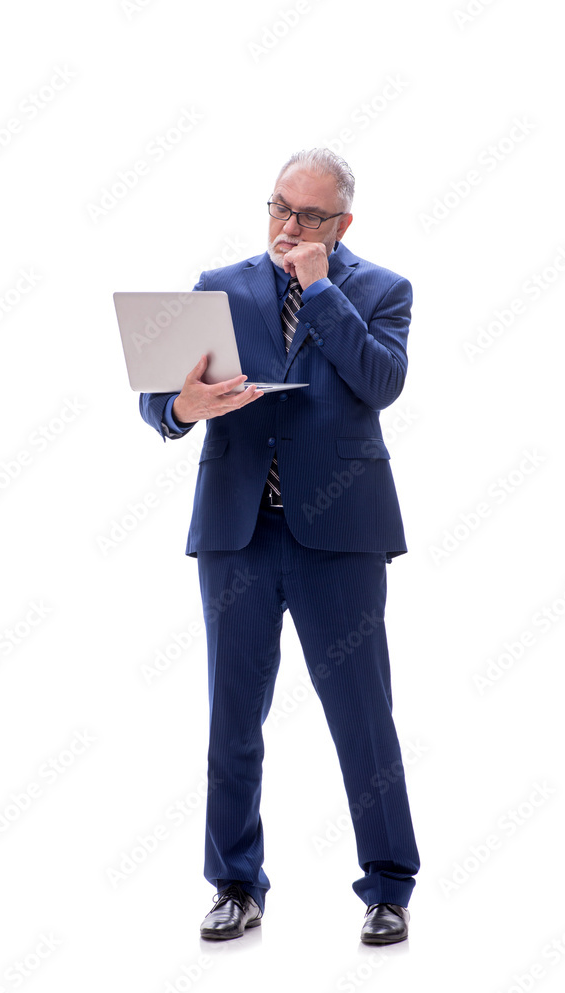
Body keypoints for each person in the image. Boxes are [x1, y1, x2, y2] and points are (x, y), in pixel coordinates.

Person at [139, 148, 420, 946]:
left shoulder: (381, 290)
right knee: (232, 720)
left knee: (364, 718)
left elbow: (380, 382)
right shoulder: (218, 286)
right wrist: (183, 407)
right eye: (279, 208)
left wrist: (320, 289)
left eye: (309, 217)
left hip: (341, 536)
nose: (288, 227)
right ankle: (234, 884)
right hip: (239, 534)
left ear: (343, 225)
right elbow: (159, 399)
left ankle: (390, 887)